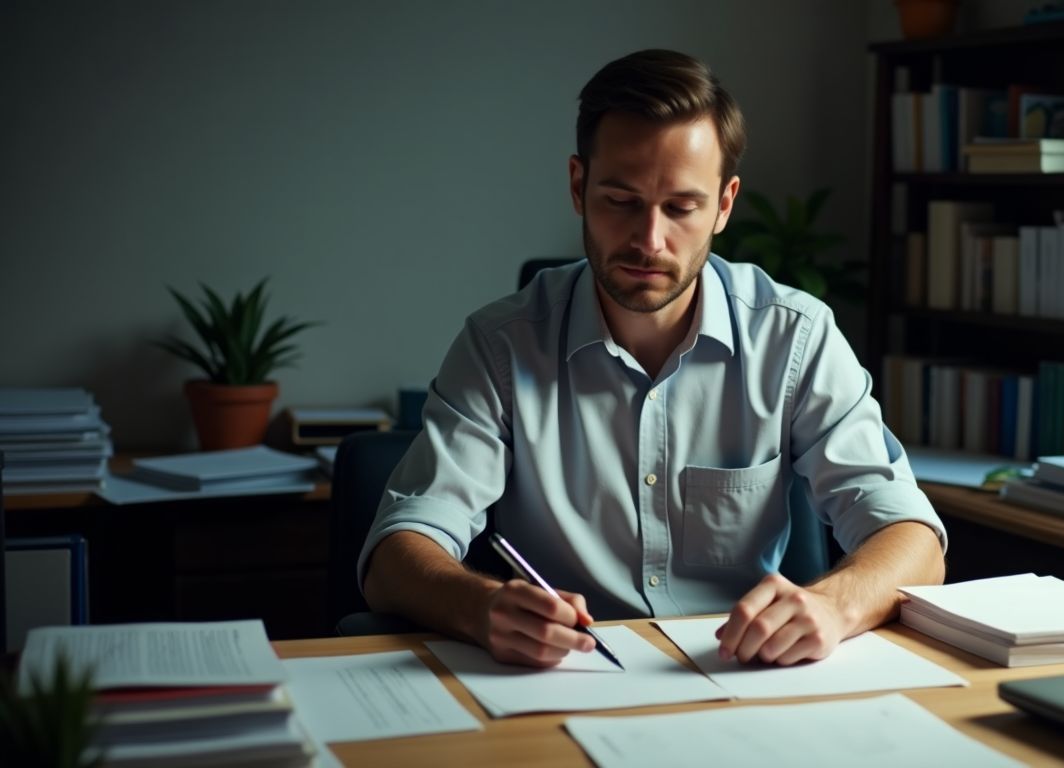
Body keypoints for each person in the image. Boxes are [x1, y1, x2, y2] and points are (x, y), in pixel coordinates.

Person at [360, 48, 946, 669]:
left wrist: (833, 605)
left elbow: (911, 538)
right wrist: (479, 606)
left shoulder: (794, 338)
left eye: (681, 207)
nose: (649, 240)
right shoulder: (499, 345)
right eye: (621, 200)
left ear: (724, 204)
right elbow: (397, 553)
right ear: (578, 185)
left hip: (740, 679)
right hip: (561, 681)